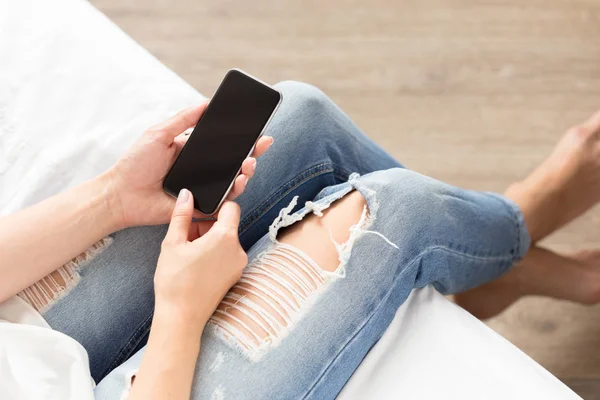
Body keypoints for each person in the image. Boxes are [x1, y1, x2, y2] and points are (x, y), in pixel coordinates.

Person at [0, 81, 598, 400]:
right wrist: (180, 313)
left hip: (21, 342)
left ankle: (499, 268)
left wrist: (112, 197)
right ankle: (520, 225)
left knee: (299, 117)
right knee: (396, 211)